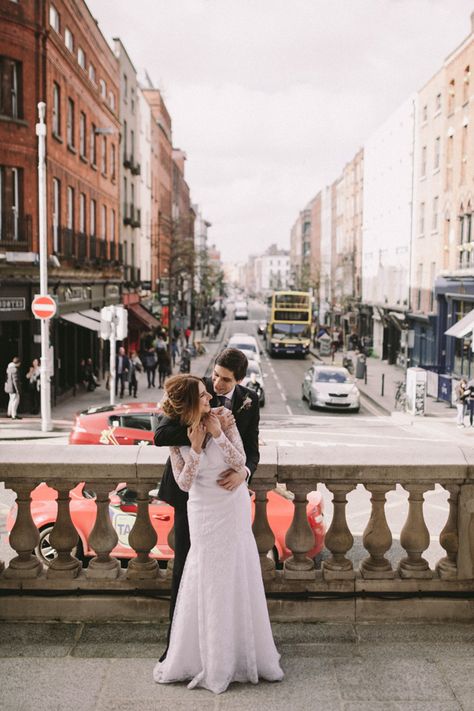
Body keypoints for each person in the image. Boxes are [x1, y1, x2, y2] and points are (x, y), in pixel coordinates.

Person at [153, 373, 283, 693]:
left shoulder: (224, 417)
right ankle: (200, 654)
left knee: (236, 573)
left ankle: (239, 650)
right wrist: (196, 447)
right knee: (204, 576)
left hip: (231, 507)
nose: (211, 396)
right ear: (190, 403)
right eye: (204, 394)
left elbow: (240, 460)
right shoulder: (178, 436)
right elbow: (184, 483)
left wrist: (219, 435)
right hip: (202, 510)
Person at [155, 348, 260, 662]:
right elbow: (161, 434)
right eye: (215, 374)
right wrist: (204, 425)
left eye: (225, 380)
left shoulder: (250, 400)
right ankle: (177, 645)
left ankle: (227, 644)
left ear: (238, 380)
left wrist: (245, 471)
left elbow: (251, 447)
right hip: (190, 495)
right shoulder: (194, 389)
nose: (216, 383)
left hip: (227, 500)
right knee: (186, 566)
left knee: (229, 569)